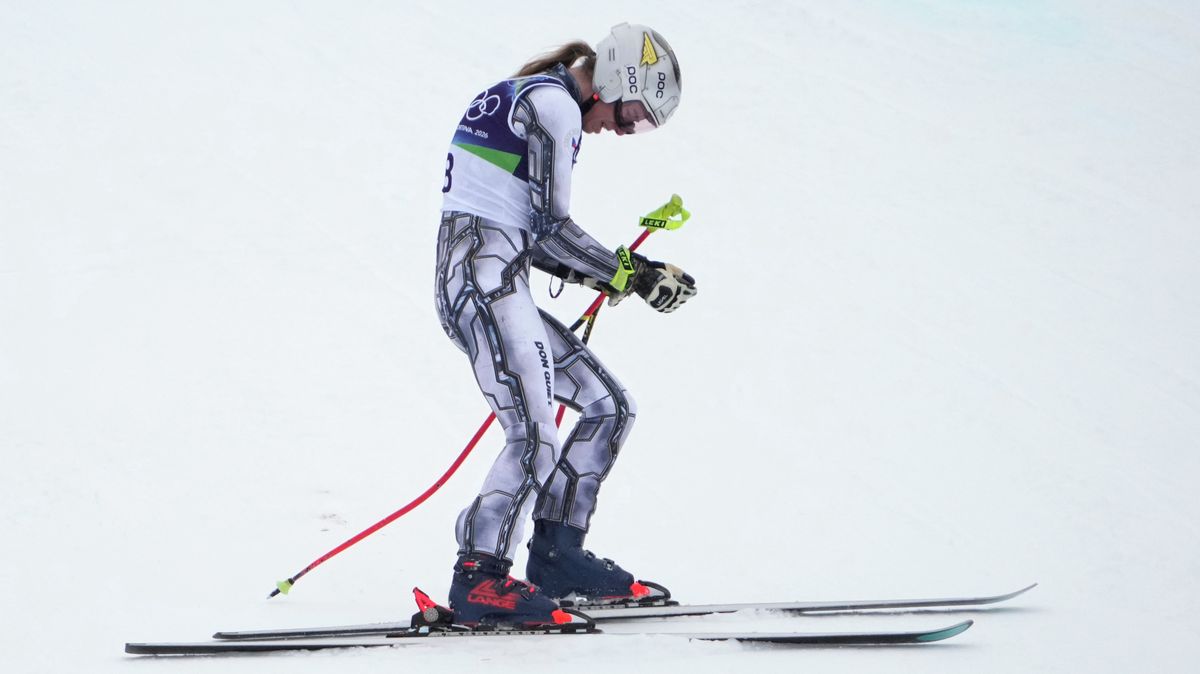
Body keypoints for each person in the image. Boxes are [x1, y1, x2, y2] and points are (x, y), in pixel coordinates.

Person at [434, 23, 696, 626]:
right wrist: (636, 274)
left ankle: (557, 556)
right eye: (634, 114)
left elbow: (535, 236)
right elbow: (551, 230)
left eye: (642, 125)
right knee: (535, 432)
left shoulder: (538, 99)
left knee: (609, 404)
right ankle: (479, 576)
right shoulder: (553, 105)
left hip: (499, 278)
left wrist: (620, 274)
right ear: (617, 78)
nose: (626, 130)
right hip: (481, 278)